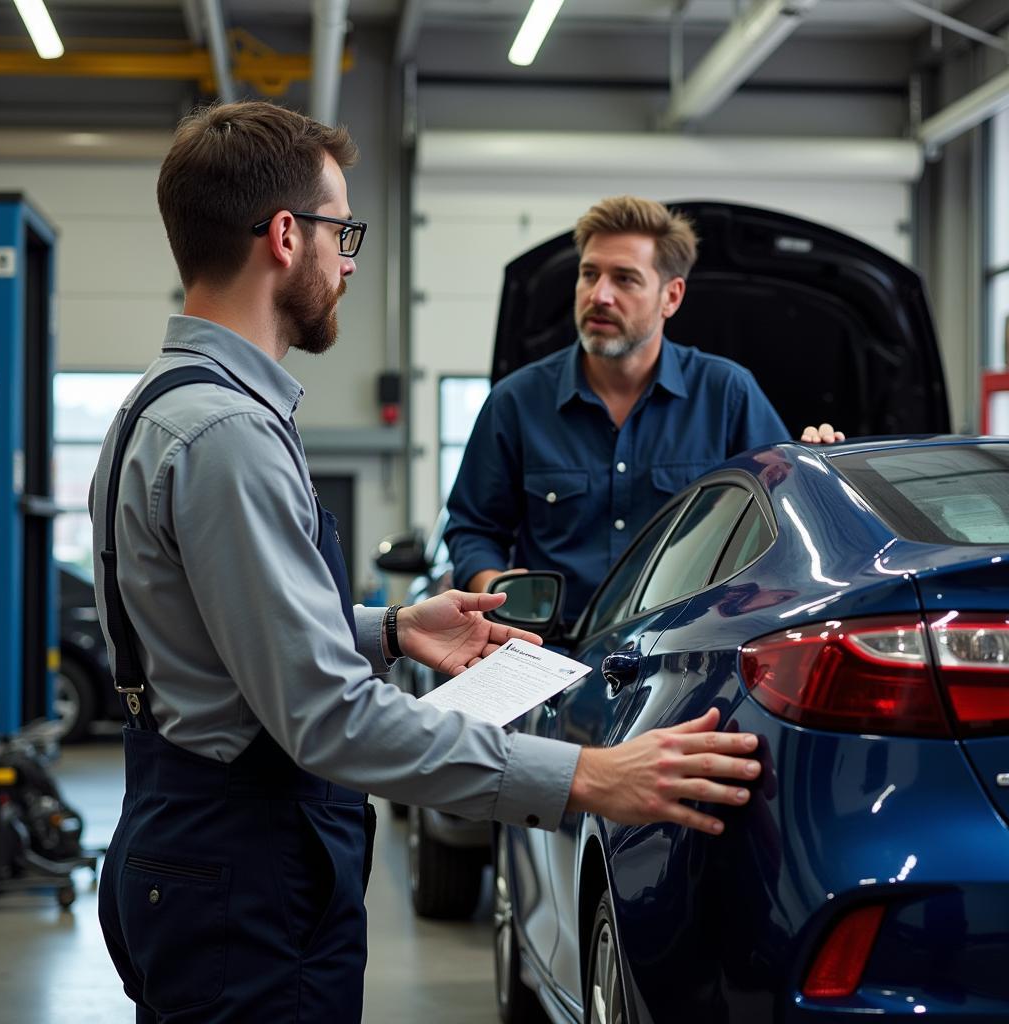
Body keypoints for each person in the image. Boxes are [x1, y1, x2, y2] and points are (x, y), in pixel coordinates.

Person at [88, 103, 762, 1024]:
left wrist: (395, 629)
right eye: (342, 231)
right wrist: (587, 778)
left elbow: (219, 638)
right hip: (241, 862)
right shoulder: (231, 438)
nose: (350, 259)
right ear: (286, 236)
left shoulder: (161, 408)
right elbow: (328, 719)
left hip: (200, 838)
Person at [445, 195, 844, 624]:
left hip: (684, 653)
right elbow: (473, 528)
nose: (599, 295)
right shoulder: (516, 402)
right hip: (548, 652)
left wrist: (814, 469)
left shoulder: (727, 394)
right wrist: (497, 588)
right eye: (589, 274)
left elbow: (782, 523)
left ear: (670, 297)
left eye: (625, 279)